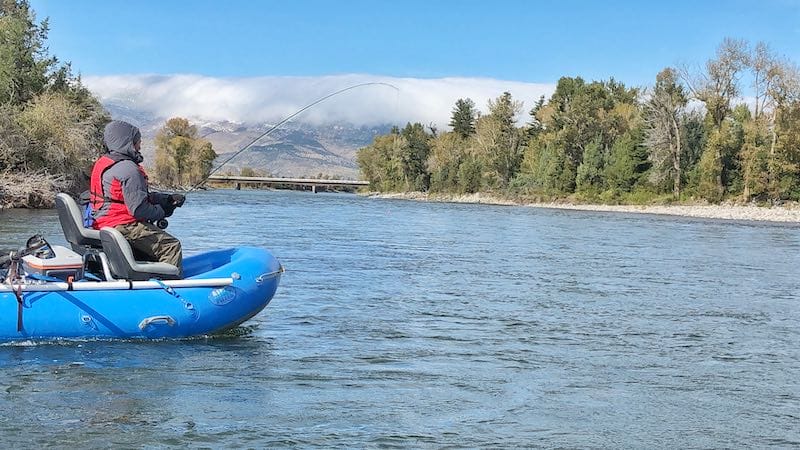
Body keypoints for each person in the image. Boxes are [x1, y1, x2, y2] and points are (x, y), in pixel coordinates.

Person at [89, 120, 186, 275]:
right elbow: (139, 209)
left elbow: (122, 197)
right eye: (137, 141)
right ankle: (171, 289)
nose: (140, 145)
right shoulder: (129, 169)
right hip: (122, 224)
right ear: (127, 142)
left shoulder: (104, 162)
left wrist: (165, 199)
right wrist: (163, 211)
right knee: (171, 246)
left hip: (102, 221)